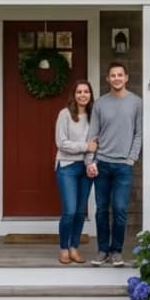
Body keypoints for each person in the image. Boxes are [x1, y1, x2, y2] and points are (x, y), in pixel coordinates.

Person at [85, 60, 142, 266]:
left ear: (126, 78)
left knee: (119, 209)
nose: (116, 78)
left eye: (120, 75)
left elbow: (139, 133)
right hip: (102, 163)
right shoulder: (100, 103)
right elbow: (93, 134)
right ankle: (102, 251)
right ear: (107, 79)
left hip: (123, 166)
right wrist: (90, 161)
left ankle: (117, 251)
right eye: (113, 75)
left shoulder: (136, 102)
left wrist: (131, 158)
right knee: (101, 210)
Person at [53, 79, 96, 264]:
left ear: (90, 95)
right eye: (79, 92)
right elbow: (62, 143)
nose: (83, 95)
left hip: (85, 167)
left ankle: (74, 247)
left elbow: (95, 145)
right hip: (67, 166)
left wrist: (89, 163)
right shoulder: (65, 114)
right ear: (74, 95)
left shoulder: (94, 116)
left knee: (80, 212)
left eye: (86, 91)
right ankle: (63, 247)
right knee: (69, 211)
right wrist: (85, 146)